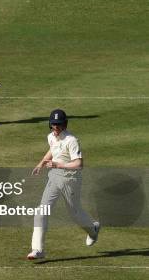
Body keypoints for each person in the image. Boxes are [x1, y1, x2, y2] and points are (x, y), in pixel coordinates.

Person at [27, 109, 100, 260]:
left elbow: (79, 164)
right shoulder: (51, 137)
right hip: (54, 177)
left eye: (59, 125)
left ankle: (93, 229)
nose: (56, 128)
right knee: (41, 211)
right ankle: (38, 249)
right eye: (53, 125)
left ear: (64, 124)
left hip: (70, 179)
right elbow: (52, 150)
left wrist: (58, 165)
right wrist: (41, 164)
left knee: (75, 213)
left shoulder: (72, 140)